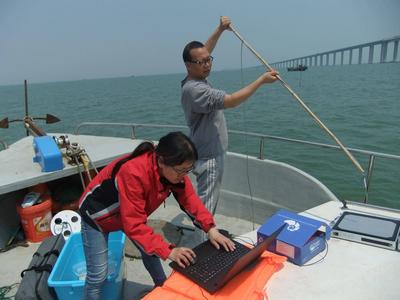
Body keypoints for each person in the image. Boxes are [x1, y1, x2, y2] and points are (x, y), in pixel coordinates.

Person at [79, 131, 235, 299]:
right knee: (98, 275)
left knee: (150, 250)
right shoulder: (133, 172)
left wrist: (211, 229)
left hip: (127, 214)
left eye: (187, 170)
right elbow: (134, 225)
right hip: (96, 217)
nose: (183, 176)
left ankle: (162, 287)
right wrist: (170, 252)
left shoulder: (172, 171)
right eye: (180, 170)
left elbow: (189, 198)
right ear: (161, 161)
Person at [181, 16, 279, 238]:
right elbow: (233, 100)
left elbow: (204, 50)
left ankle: (206, 234)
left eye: (209, 60)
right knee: (205, 206)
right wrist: (261, 81)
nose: (207, 64)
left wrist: (220, 30)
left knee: (207, 201)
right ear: (189, 65)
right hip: (209, 157)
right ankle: (200, 244)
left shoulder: (193, 77)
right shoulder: (196, 90)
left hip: (205, 150)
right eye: (201, 62)